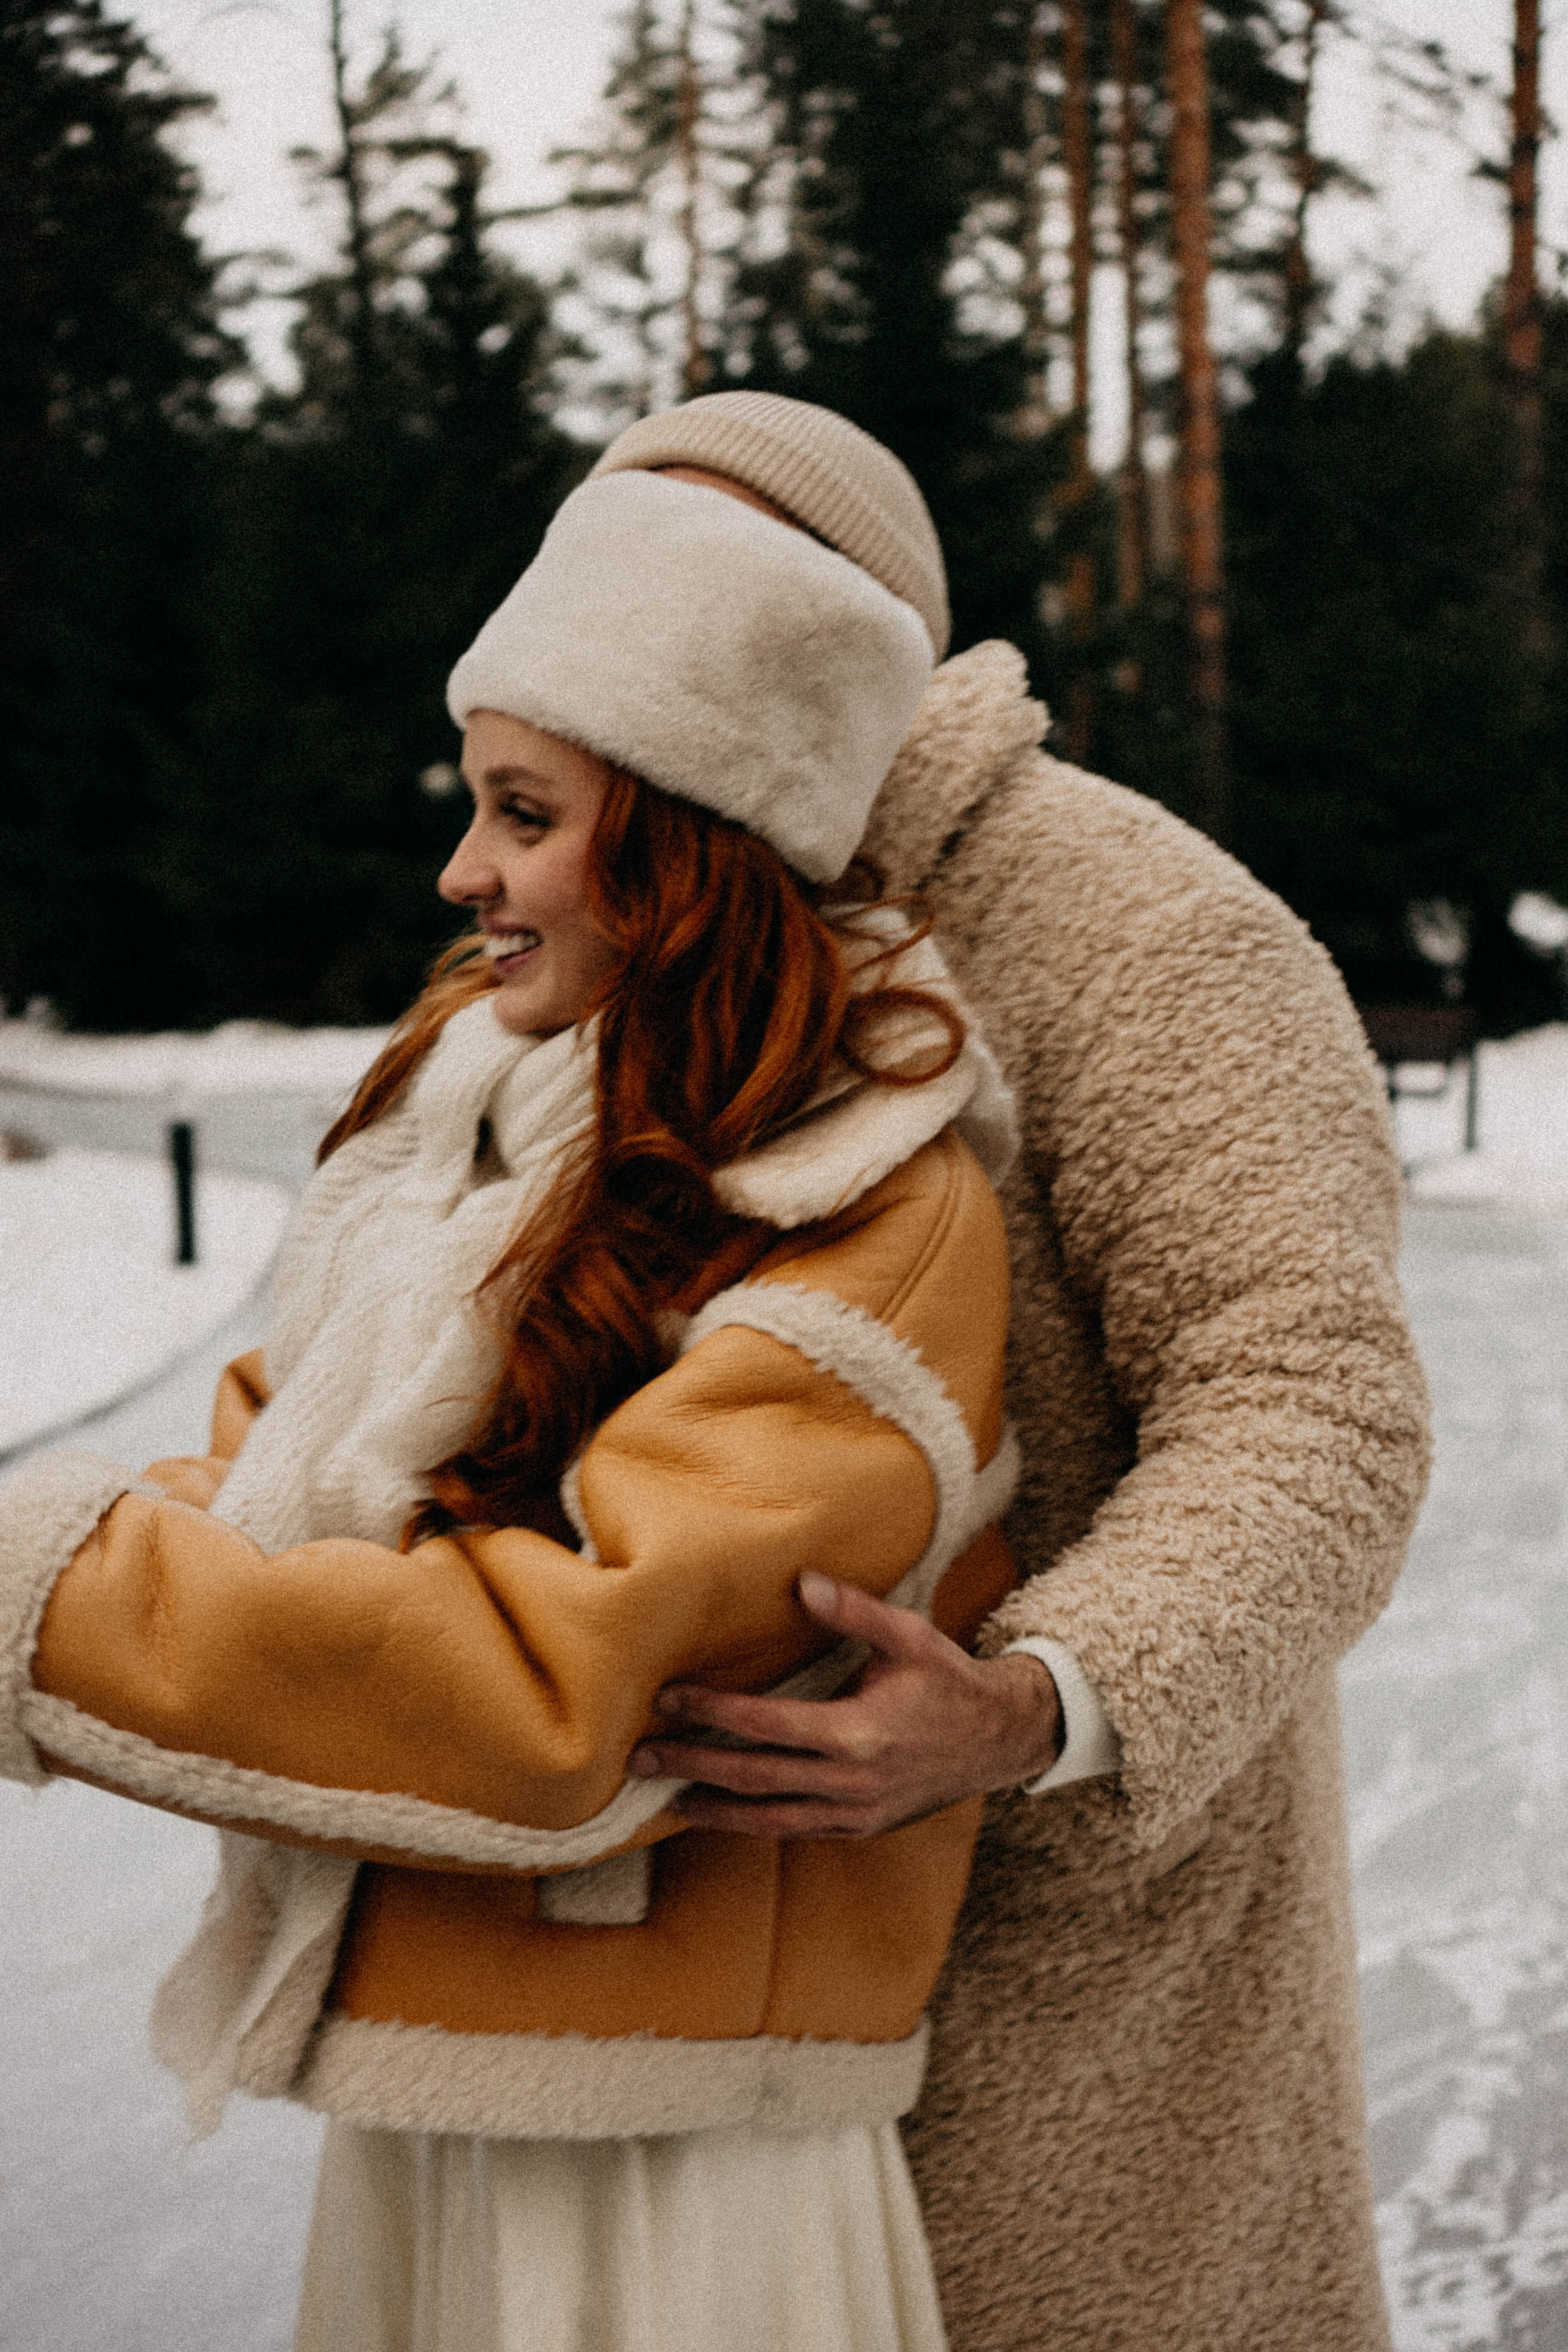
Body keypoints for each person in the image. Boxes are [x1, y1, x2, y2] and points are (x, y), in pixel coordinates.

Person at [0, 412, 1058, 2351]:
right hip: (438, 2084)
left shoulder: (871, 1213)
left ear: (686, 830)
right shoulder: (478, 1118)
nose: (460, 866)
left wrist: (38, 1601)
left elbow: (565, 1695)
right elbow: (268, 1480)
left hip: (678, 2161)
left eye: (522, 809)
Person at [592, 396, 1433, 2351]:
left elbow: (1311, 1401)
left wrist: (1039, 1702)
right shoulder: (607, 916)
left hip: (1069, 2003)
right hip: (673, 1978)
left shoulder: (1151, 933)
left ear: (873, 621)